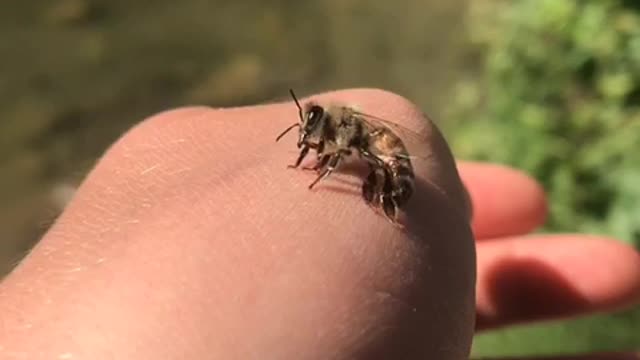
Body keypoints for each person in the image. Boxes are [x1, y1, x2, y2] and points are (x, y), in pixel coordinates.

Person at [0, 89, 639, 359]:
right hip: (399, 170)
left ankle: (390, 199)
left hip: (394, 164)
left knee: (382, 167)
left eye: (310, 136)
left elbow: (361, 147)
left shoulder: (347, 133)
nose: (308, 143)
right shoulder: (329, 126)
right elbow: (329, 142)